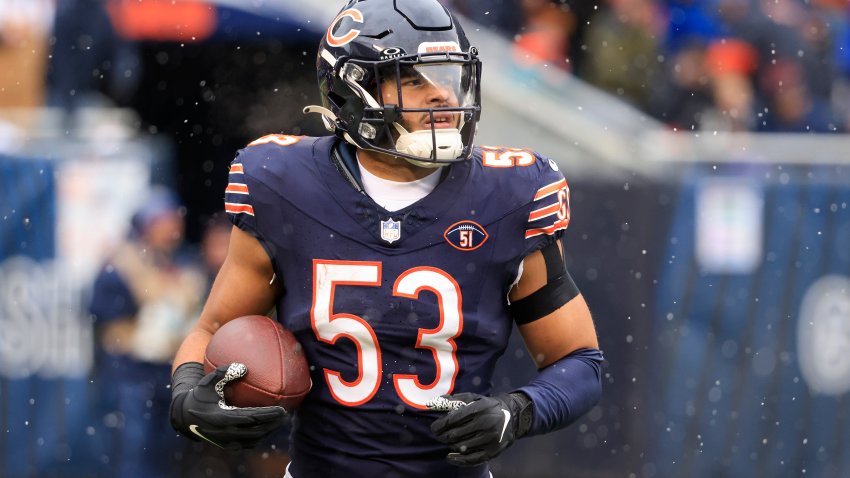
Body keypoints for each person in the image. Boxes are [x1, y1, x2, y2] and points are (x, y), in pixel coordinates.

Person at [169, 1, 603, 477]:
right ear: (353, 90)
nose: (441, 95)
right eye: (414, 78)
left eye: (447, 75)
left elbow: (579, 360)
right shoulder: (283, 184)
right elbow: (210, 330)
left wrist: (518, 411)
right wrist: (189, 394)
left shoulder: (510, 194)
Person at [89, 186, 206, 477]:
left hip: (165, 371)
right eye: (164, 221)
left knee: (165, 451)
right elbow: (104, 317)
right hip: (131, 372)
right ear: (148, 224)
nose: (172, 228)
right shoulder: (121, 264)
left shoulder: (182, 262)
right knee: (134, 449)